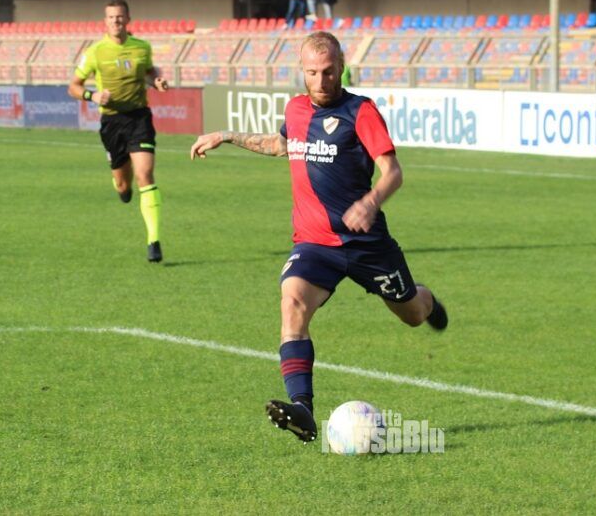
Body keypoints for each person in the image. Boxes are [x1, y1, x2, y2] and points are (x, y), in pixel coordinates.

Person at [189, 31, 448, 444]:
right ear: (302, 71)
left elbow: (393, 171)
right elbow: (281, 144)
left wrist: (372, 201)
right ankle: (303, 410)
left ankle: (426, 299)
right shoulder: (295, 109)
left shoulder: (361, 111)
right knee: (291, 303)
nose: (321, 80)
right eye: (312, 72)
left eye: (328, 72)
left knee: (412, 314)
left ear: (341, 67)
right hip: (314, 244)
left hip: (366, 244)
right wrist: (226, 136)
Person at [68, 0, 169, 263]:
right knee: (124, 186)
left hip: (139, 118)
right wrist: (92, 95)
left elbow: (149, 71)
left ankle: (154, 241)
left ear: (128, 19)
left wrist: (156, 80)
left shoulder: (141, 47)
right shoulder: (95, 52)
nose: (116, 21)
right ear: (105, 21)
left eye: (120, 16)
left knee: (145, 174)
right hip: (112, 122)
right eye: (111, 17)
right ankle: (121, 186)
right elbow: (74, 86)